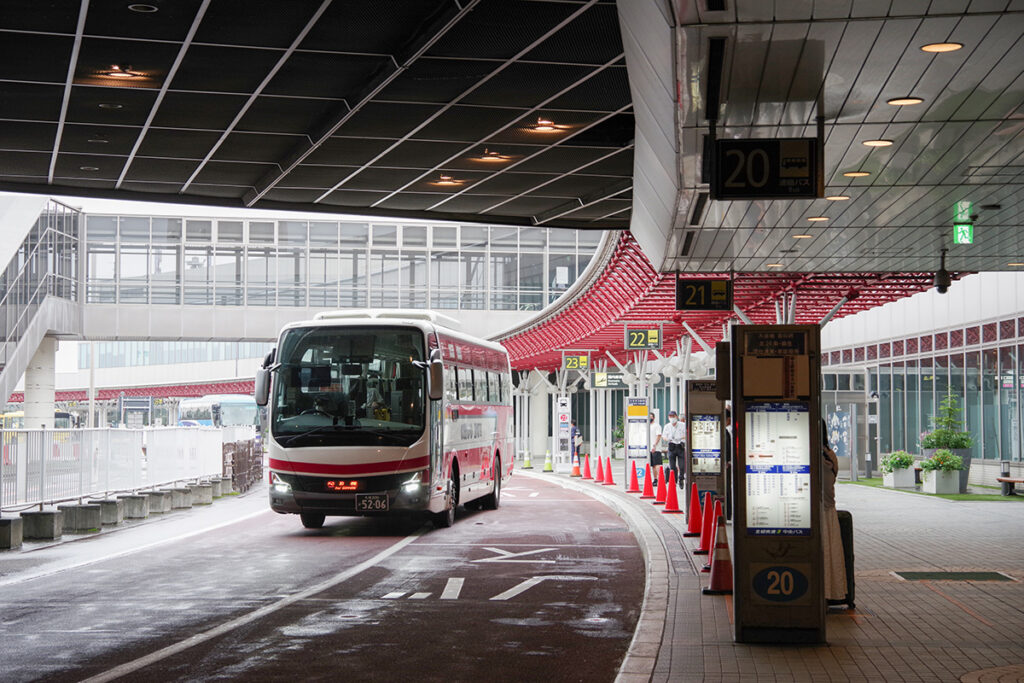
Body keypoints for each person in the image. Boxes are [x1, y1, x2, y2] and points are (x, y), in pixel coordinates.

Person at [821, 419, 848, 603]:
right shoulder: (831, 455)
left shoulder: (811, 455)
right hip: (829, 512)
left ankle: (820, 592)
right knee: (831, 555)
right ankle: (830, 592)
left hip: (816, 513)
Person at [662, 409, 686, 488]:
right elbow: (664, 436)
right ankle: (674, 480)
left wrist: (680, 438)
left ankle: (681, 478)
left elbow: (687, 434)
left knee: (682, 466)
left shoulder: (682, 425)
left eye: (673, 416)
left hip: (680, 446)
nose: (672, 418)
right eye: (670, 416)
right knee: (672, 466)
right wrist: (668, 439)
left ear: (676, 417)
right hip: (671, 446)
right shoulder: (667, 426)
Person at [648, 413, 663, 484]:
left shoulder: (657, 426)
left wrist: (655, 445)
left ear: (653, 418)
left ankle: (661, 479)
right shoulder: (647, 426)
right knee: (653, 465)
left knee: (657, 464)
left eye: (651, 417)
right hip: (649, 448)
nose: (649, 418)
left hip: (656, 448)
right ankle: (655, 479)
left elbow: (659, 435)